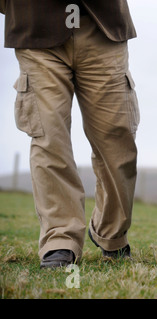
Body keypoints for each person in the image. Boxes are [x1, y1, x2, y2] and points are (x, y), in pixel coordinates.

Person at [0, 0, 139, 268]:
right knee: (49, 137)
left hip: (103, 27)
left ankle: (111, 233)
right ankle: (60, 240)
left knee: (117, 142)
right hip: (35, 29)